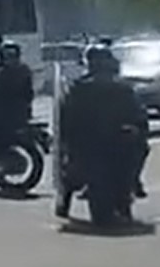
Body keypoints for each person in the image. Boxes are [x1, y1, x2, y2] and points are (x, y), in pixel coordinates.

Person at [56, 43, 150, 222]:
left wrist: (135, 129)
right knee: (71, 169)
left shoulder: (121, 88)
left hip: (114, 142)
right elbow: (67, 119)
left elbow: (138, 115)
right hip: (90, 144)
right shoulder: (79, 89)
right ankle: (65, 197)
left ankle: (131, 184)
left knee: (139, 150)